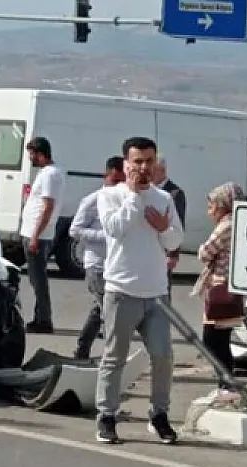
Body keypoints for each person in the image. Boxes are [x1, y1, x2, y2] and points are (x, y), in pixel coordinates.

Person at [94, 136, 184, 444]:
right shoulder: (110, 196)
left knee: (163, 356)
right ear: (126, 164)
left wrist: (163, 228)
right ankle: (106, 416)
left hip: (156, 293)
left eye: (149, 161)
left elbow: (174, 243)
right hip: (122, 290)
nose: (144, 167)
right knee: (114, 357)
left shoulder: (164, 199)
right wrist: (133, 196)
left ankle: (159, 415)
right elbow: (116, 229)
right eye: (138, 162)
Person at [195, 182, 247, 398]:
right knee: (218, 339)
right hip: (224, 288)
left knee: (213, 339)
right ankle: (225, 382)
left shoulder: (227, 226)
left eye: (211, 207)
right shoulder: (237, 223)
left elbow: (205, 253)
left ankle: (227, 383)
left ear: (222, 205)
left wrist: (204, 249)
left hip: (222, 289)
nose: (209, 212)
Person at [70, 155, 125, 360]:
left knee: (99, 310)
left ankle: (82, 350)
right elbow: (75, 230)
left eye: (122, 181)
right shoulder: (94, 199)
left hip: (117, 265)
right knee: (111, 313)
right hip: (97, 265)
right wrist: (106, 235)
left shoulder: (125, 201)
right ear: (106, 176)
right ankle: (111, 357)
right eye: (114, 180)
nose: (117, 185)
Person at [20, 136, 64, 334]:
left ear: (40, 154)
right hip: (35, 232)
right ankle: (40, 317)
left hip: (38, 234)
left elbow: (47, 207)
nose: (30, 158)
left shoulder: (50, 175)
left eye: (32, 154)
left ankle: (44, 320)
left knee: (38, 279)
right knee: (35, 278)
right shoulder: (48, 173)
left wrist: (35, 236)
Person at [153, 158, 187, 297]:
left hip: (165, 250)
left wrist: (173, 254)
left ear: (162, 171)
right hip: (152, 248)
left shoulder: (175, 193)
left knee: (163, 291)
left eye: (152, 171)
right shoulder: (151, 190)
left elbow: (178, 224)